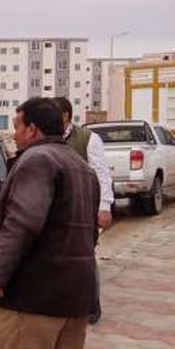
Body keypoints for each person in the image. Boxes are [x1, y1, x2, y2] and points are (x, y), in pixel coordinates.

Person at [0, 97, 100, 349]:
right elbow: (91, 233)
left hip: (33, 302)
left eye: (17, 127)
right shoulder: (83, 168)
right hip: (74, 301)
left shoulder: (37, 159)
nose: (14, 135)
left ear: (33, 129)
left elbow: (22, 223)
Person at [53, 97, 114, 324]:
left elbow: (101, 174)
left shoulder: (88, 139)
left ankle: (91, 306)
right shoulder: (48, 138)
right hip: (58, 212)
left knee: (85, 258)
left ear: (67, 115)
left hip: (83, 210)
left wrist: (104, 206)